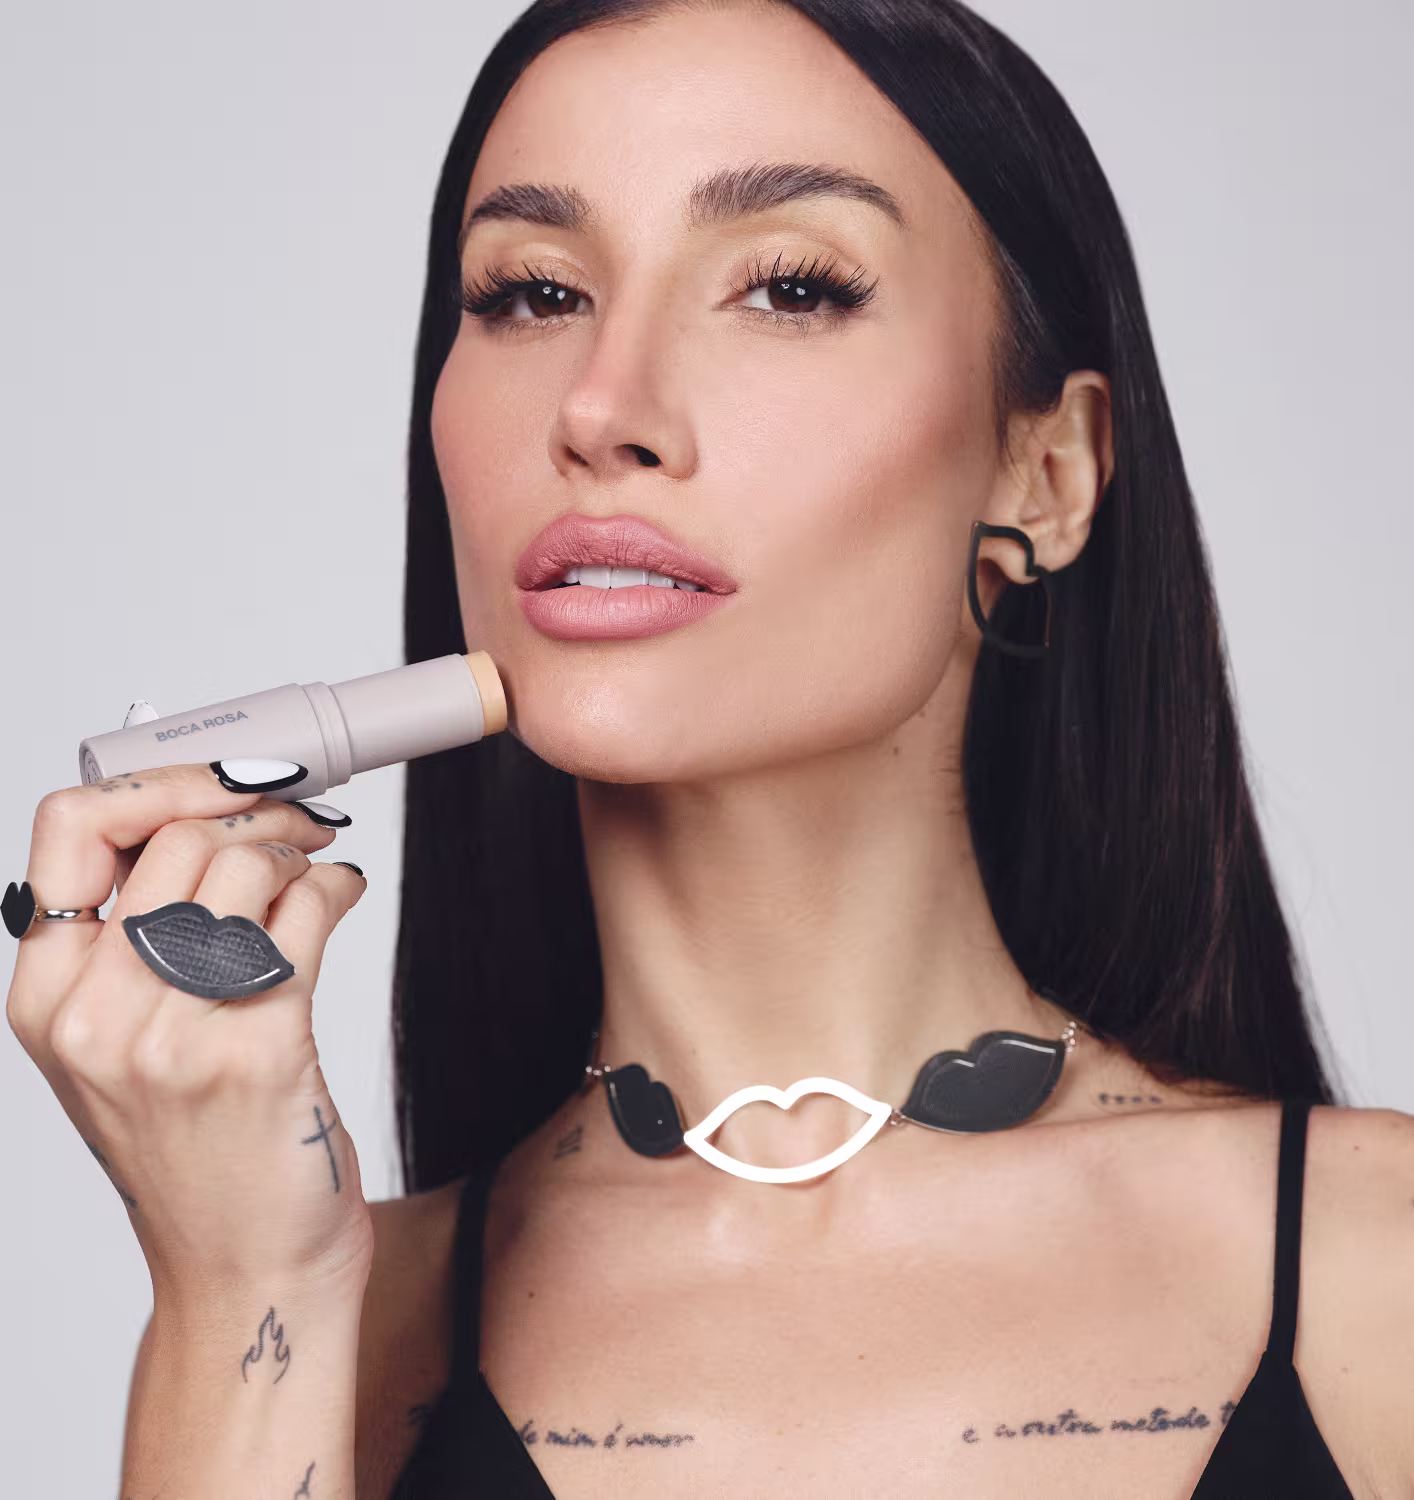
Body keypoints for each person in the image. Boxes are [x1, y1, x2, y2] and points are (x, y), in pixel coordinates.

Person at [6, 0, 1412, 1494]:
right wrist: (243, 1291)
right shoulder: (317, 1322)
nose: (600, 407)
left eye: (790, 287)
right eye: (533, 294)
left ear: (1046, 471)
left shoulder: (1372, 1266)